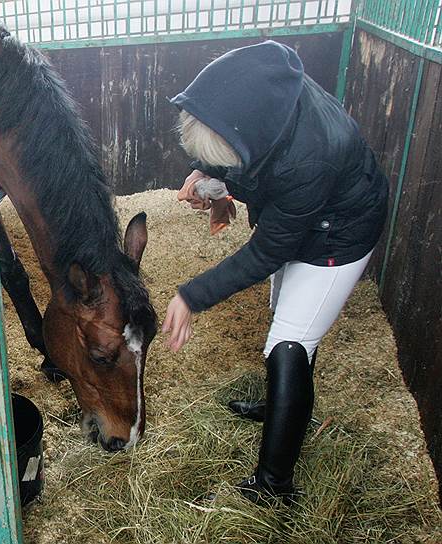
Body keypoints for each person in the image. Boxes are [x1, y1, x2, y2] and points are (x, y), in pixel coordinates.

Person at [162, 41, 389, 504]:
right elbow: (238, 142)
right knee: (286, 313)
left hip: (338, 233)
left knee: (290, 340)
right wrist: (206, 175)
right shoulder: (262, 91)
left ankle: (273, 486)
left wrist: (190, 295)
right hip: (308, 212)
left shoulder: (309, 158)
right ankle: (283, 409)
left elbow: (266, 252)